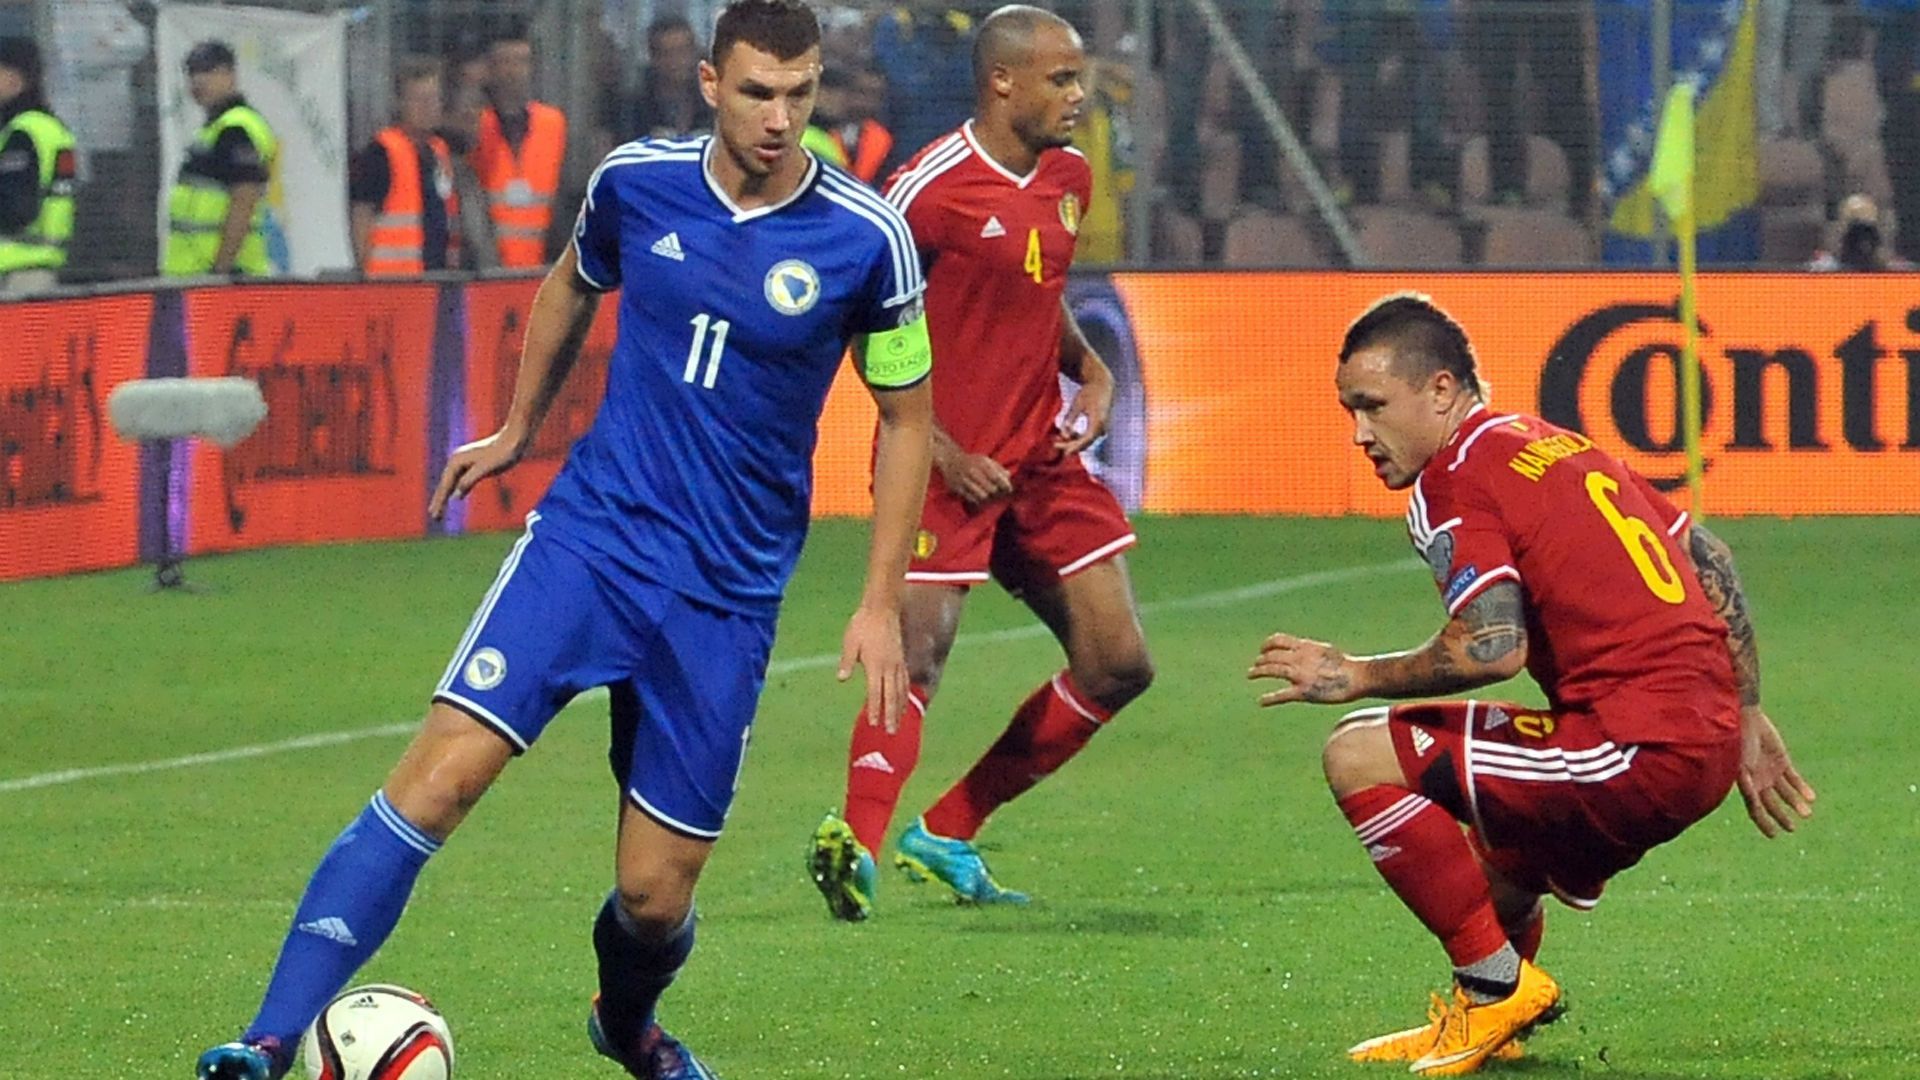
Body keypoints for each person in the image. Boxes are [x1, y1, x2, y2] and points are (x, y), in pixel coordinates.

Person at [194, 3, 933, 1078]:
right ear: (711, 86)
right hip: (594, 541)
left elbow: (906, 418)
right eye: (757, 92)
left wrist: (879, 599)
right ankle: (264, 1041)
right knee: (436, 782)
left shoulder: (867, 239)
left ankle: (628, 1027)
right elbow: (570, 284)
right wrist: (517, 429)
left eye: (800, 93)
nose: (781, 118)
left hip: (726, 590)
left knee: (653, 896)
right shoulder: (636, 181)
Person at [1246, 294, 1815, 1075]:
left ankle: (1497, 990)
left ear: (1440, 390)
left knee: (1356, 753)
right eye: (1351, 411)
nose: (1360, 434)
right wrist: (1744, 710)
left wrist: (1354, 674)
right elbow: (1709, 554)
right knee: (1498, 865)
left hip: (1635, 746)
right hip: (1691, 735)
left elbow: (1492, 647)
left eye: (1373, 406)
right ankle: (1490, 1022)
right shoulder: (1550, 442)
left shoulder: (1452, 478)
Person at [809, 5, 1153, 921]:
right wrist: (940, 448)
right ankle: (856, 846)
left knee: (1118, 663)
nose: (1079, 96)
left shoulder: (1069, 175)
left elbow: (1039, 291)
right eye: (1061, 79)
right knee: (918, 653)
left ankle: (949, 829)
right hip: (941, 461)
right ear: (1002, 81)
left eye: (1080, 77)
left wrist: (1094, 373)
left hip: (1038, 458)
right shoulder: (927, 189)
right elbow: (862, 322)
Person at [164, 40, 276, 277]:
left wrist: (221, 271)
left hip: (223, 277)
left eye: (208, 71)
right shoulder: (214, 129)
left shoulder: (236, 129)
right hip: (196, 275)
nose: (198, 81)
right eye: (192, 73)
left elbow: (243, 201)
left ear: (230, 75)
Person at [350, 57, 460, 276]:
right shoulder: (380, 152)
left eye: (433, 99)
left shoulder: (440, 151)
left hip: (437, 278)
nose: (427, 108)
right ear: (400, 103)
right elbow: (362, 216)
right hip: (393, 281)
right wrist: (364, 275)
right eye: (418, 100)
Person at [471, 26, 566, 268]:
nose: (514, 71)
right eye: (505, 61)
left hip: (541, 265)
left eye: (522, 61)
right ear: (490, 68)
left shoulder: (552, 124)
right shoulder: (475, 125)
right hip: (485, 267)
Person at [0, 38, 75, 296]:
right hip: (37, 268)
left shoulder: (23, 132)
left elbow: (15, 209)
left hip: (13, 274)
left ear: (14, 78)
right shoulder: (50, 127)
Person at [439, 76, 501, 271]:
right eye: (466, 117)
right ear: (446, 116)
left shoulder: (476, 168)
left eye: (477, 118)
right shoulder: (441, 165)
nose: (473, 127)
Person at [1808, 192, 1915, 271]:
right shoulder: (1828, 267)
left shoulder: (1894, 270)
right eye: (1854, 235)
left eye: (1867, 233)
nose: (1861, 241)